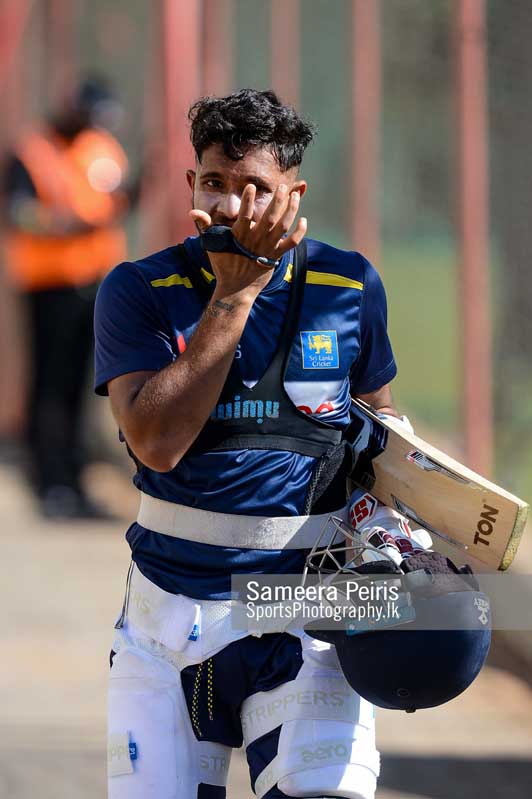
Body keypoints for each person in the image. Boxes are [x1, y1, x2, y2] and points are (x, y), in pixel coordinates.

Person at [95, 89, 401, 799]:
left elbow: (381, 428)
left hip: (301, 619)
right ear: (190, 185)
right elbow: (155, 443)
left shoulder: (348, 285)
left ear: (295, 195)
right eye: (214, 182)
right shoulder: (139, 289)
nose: (233, 207)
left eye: (255, 188)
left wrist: (396, 536)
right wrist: (234, 296)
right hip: (168, 624)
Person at [2, 76, 132, 519]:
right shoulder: (32, 151)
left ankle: (74, 481)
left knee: (81, 385)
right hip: (49, 286)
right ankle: (49, 482)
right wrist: (65, 226)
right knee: (50, 385)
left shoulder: (102, 148)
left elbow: (115, 201)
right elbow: (18, 211)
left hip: (94, 283)